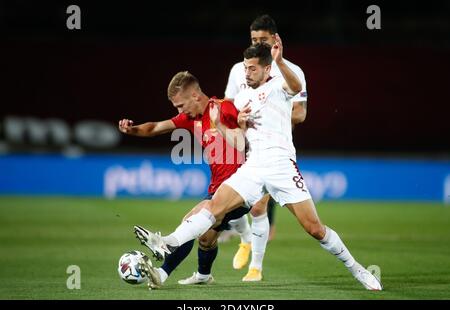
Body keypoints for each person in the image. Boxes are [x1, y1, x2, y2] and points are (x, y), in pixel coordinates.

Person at [135, 39, 383, 291]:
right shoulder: (240, 99)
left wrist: (280, 61)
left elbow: (296, 86)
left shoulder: (279, 85)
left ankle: (357, 269)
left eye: (253, 68)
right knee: (212, 207)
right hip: (253, 166)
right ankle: (167, 241)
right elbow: (240, 143)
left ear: (266, 69)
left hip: (281, 165)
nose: (247, 73)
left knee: (315, 229)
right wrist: (225, 124)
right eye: (245, 67)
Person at [118, 71, 264, 289]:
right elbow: (156, 128)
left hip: (241, 186)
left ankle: (162, 269)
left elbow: (250, 136)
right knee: (205, 238)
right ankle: (204, 275)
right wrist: (132, 129)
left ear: (195, 95)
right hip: (217, 187)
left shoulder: (224, 108)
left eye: (180, 105)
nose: (179, 111)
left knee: (192, 220)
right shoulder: (191, 118)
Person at [219, 14, 308, 280]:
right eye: (253, 39)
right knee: (225, 200)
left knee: (258, 207)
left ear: (275, 40)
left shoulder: (291, 71)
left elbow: (300, 114)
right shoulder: (240, 69)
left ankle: (255, 267)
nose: (258, 44)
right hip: (245, 144)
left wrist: (267, 113)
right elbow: (229, 107)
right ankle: (244, 238)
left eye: (263, 40)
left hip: (276, 150)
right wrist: (237, 121)